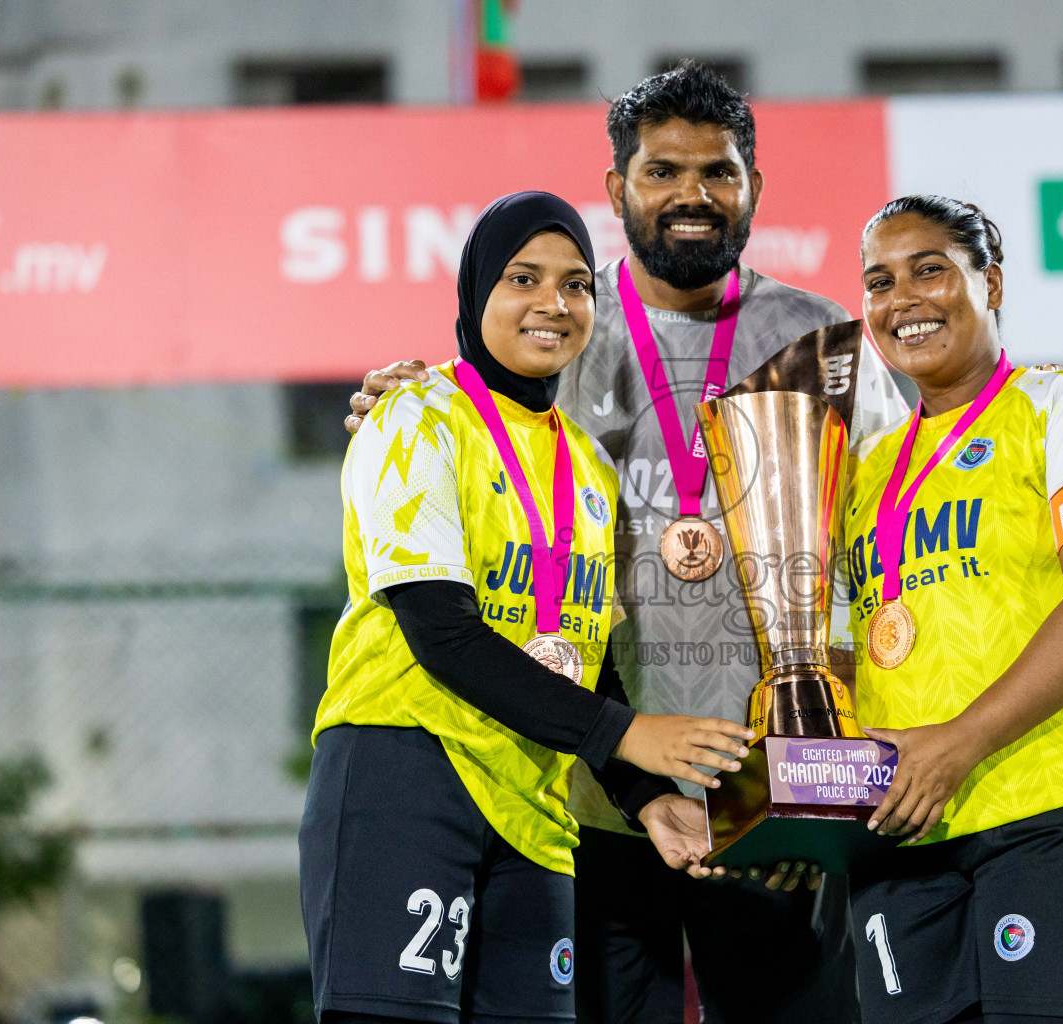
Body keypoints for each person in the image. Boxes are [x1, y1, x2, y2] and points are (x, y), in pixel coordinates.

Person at [345, 62, 906, 1024]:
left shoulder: (824, 342)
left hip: (769, 795)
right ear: (618, 190)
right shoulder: (560, 331)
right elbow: (471, 452)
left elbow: (885, 553)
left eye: (718, 173)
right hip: (586, 796)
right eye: (662, 172)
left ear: (754, 190)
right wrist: (401, 399)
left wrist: (833, 776)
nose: (692, 195)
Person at [299, 191, 755, 1024]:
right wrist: (629, 735)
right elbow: (443, 635)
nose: (554, 302)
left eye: (577, 283)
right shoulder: (416, 418)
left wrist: (644, 794)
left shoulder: (588, 465)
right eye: (524, 278)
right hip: (408, 779)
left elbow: (595, 663)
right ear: (477, 293)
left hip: (537, 812)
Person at [844, 195, 1063, 1024]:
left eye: (930, 270)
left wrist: (957, 745)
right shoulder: (862, 467)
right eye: (879, 281)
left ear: (993, 282)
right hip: (901, 831)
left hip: (1054, 811)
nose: (901, 298)